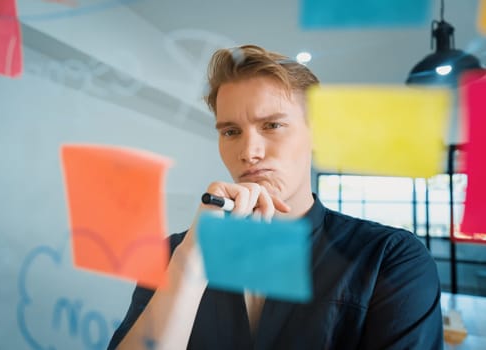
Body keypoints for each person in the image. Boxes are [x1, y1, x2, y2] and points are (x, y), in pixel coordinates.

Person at [108, 45, 443, 349]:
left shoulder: (389, 258)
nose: (249, 152)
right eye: (231, 131)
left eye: (272, 126)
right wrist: (189, 263)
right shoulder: (171, 254)